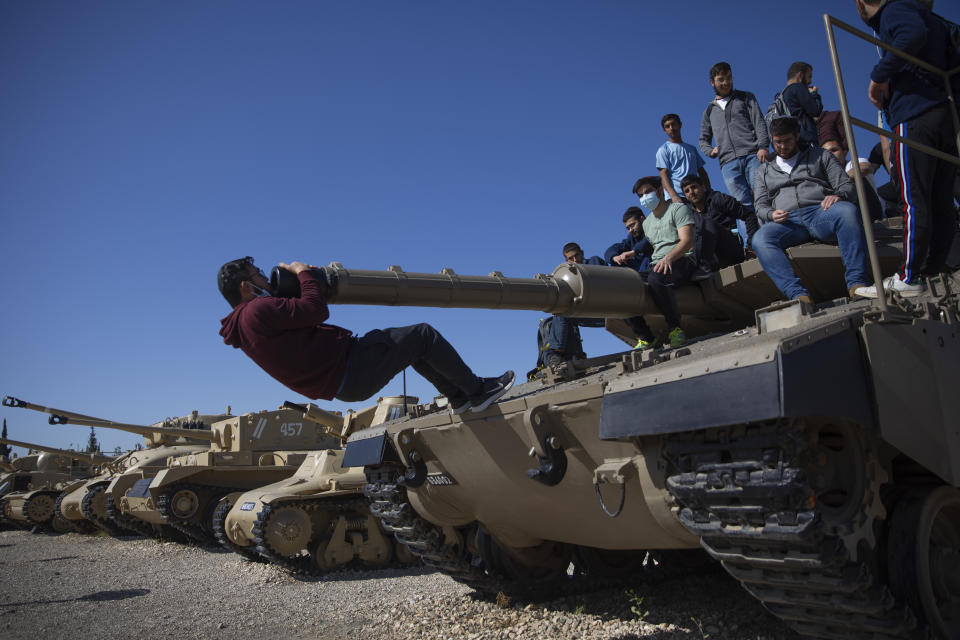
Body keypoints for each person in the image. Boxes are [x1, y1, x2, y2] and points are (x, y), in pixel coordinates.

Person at [217, 257, 514, 415]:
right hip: (350, 368)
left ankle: (458, 397)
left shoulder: (242, 326)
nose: (266, 280)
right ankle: (477, 391)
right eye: (258, 276)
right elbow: (315, 310)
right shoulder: (257, 310)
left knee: (410, 345)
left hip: (343, 378)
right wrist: (303, 273)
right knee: (423, 334)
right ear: (246, 286)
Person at [853, 0, 959, 297]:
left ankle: (909, 276)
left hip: (914, 114)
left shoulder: (895, 11)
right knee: (940, 200)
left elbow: (911, 35)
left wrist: (879, 75)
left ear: (861, 3)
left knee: (913, 199)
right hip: (944, 114)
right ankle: (931, 271)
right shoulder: (928, 15)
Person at [752, 118, 871, 304]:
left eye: (787, 140)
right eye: (778, 142)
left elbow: (847, 186)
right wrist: (770, 214)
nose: (783, 146)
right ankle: (799, 296)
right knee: (760, 239)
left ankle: (857, 284)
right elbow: (760, 205)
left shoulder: (820, 155)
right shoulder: (762, 171)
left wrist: (838, 195)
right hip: (787, 223)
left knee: (847, 212)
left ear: (797, 136)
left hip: (820, 214)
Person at [699, 62, 770, 245]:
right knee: (742, 204)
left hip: (752, 154)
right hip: (728, 163)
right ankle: (753, 243)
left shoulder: (746, 98)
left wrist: (763, 146)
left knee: (762, 196)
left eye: (729, 78)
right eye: (721, 79)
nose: (726, 83)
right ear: (712, 82)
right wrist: (710, 151)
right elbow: (703, 140)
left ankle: (770, 236)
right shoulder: (709, 111)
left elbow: (759, 122)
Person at [632, 175, 698, 347]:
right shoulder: (647, 224)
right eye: (640, 195)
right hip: (658, 264)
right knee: (625, 282)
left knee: (656, 278)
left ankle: (675, 328)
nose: (644, 198)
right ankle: (646, 336)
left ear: (660, 191)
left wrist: (669, 257)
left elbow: (687, 241)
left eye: (648, 192)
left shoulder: (678, 210)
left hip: (682, 259)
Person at [680, 174, 757, 265]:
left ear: (703, 186)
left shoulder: (718, 198)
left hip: (730, 248)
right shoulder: (688, 212)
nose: (691, 192)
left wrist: (751, 247)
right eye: (687, 191)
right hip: (709, 256)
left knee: (707, 223)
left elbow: (749, 215)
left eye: (694, 187)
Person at [821, 138, 885, 221]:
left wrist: (841, 181)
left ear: (845, 153)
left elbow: (865, 168)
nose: (830, 154)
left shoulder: (852, 163)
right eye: (826, 153)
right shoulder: (824, 175)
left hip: (871, 211)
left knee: (857, 175)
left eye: (834, 150)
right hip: (846, 214)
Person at [656, 113, 710, 204]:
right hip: (677, 198)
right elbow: (663, 175)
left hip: (695, 195)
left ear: (680, 125)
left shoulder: (691, 149)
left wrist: (708, 191)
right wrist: (673, 196)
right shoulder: (663, 150)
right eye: (667, 126)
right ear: (664, 130)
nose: (671, 128)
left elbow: (702, 172)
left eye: (673, 124)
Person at [780, 62, 824, 149]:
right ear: (800, 75)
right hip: (805, 140)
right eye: (809, 76)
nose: (810, 81)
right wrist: (814, 94)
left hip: (791, 141)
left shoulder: (782, 95)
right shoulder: (798, 87)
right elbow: (815, 110)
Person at [604, 206, 654, 274]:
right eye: (628, 228)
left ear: (642, 219)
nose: (630, 230)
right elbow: (612, 249)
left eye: (632, 225)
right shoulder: (631, 239)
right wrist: (614, 257)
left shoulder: (654, 229)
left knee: (646, 259)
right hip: (637, 272)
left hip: (653, 269)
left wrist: (634, 252)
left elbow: (648, 240)